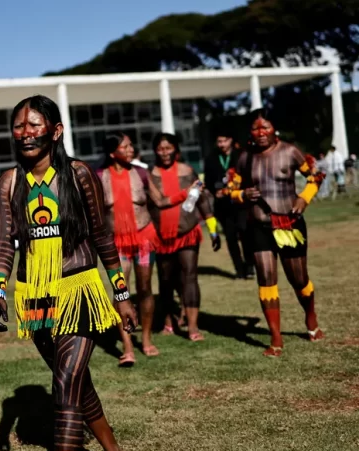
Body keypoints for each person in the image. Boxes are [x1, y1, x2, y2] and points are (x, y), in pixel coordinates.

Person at [0, 95, 137, 451]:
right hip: (36, 297)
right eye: (19, 126)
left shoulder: (78, 175)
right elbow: (5, 244)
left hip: (79, 290)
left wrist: (120, 293)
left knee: (64, 385)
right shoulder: (8, 183)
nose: (26, 132)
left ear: (55, 131)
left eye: (34, 125)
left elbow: (102, 237)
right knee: (74, 383)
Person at [234, 108, 325, 357]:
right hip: (258, 226)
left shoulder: (290, 151)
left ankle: (311, 316)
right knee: (266, 279)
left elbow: (315, 177)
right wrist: (241, 194)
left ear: (275, 129)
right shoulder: (244, 158)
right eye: (255, 128)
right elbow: (228, 190)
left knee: (298, 280)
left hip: (289, 224)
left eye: (266, 127)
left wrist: (304, 199)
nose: (261, 132)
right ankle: (275, 338)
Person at [98, 132, 194, 363]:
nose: (131, 150)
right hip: (117, 243)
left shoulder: (140, 173)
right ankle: (128, 345)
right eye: (125, 147)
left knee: (145, 289)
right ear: (113, 153)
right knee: (121, 291)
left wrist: (186, 193)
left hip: (144, 240)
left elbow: (160, 201)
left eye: (131, 146)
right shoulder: (99, 177)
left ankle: (147, 339)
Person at [149, 133, 220, 341]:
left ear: (175, 149)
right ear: (155, 151)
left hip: (187, 232)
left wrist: (213, 229)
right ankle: (169, 322)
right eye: (161, 149)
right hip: (161, 236)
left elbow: (203, 201)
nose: (165, 153)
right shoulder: (149, 174)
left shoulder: (188, 171)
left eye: (168, 148)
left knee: (190, 277)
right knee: (165, 280)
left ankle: (192, 326)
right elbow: (153, 202)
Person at [203, 129, 254, 279]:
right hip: (223, 205)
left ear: (231, 140)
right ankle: (239, 269)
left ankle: (250, 266)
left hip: (240, 202)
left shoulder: (240, 155)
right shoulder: (211, 158)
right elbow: (208, 181)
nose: (222, 144)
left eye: (224, 141)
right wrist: (215, 191)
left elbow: (247, 176)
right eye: (219, 141)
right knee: (231, 238)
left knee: (245, 234)